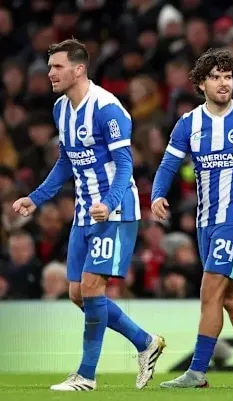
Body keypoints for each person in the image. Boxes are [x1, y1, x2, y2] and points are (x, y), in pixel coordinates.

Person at [12, 39, 164, 391]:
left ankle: (86, 376)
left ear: (79, 69)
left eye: (57, 67)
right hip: (85, 211)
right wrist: (36, 198)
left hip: (114, 210)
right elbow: (66, 162)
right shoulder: (61, 109)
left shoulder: (107, 109)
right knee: (78, 293)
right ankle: (146, 342)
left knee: (94, 288)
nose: (50, 73)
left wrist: (109, 203)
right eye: (50, 67)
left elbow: (126, 165)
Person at [151, 48, 233, 389]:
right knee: (231, 297)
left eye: (228, 77)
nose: (223, 83)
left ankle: (197, 372)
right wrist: (158, 194)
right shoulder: (189, 123)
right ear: (201, 84)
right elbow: (168, 164)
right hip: (206, 221)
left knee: (210, 293)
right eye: (216, 77)